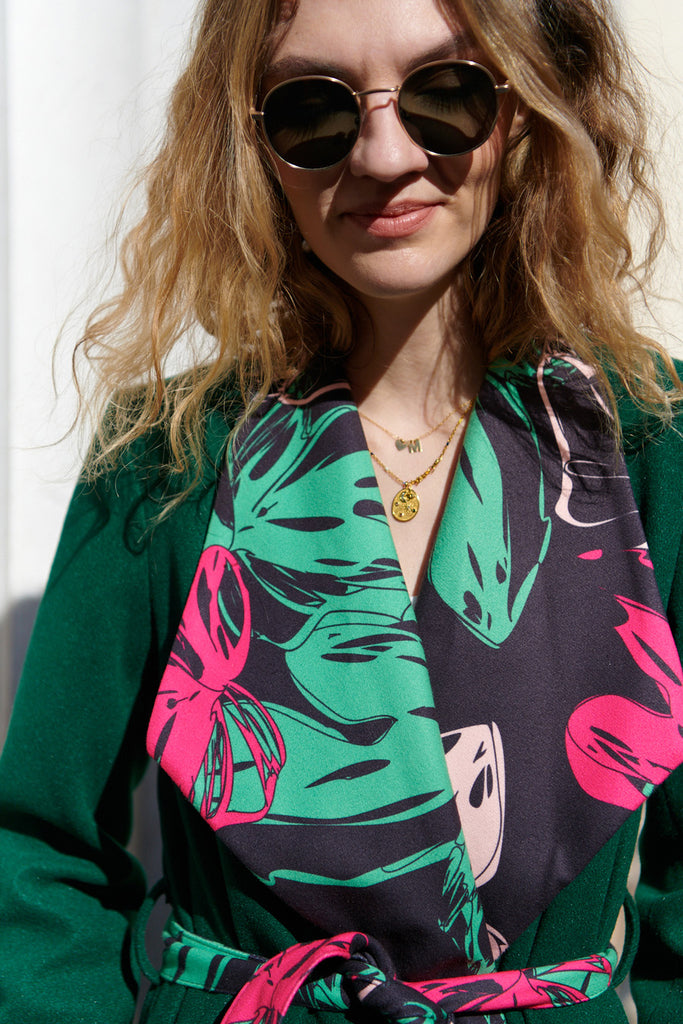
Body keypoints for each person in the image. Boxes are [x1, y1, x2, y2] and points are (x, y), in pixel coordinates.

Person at [1, 0, 682, 1022]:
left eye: (445, 94)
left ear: (526, 112)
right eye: (313, 110)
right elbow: (37, 852)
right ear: (254, 148)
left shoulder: (649, 446)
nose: (383, 155)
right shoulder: (165, 456)